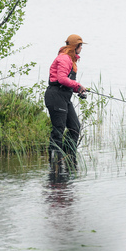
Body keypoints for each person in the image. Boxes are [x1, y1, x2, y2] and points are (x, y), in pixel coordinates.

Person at [44, 34, 89, 163]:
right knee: (58, 129)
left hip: (64, 97)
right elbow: (62, 79)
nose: (81, 49)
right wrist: (78, 84)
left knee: (74, 127)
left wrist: (78, 89)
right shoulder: (64, 58)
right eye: (81, 46)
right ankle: (54, 163)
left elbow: (67, 82)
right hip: (55, 96)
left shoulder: (70, 59)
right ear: (76, 46)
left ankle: (69, 158)